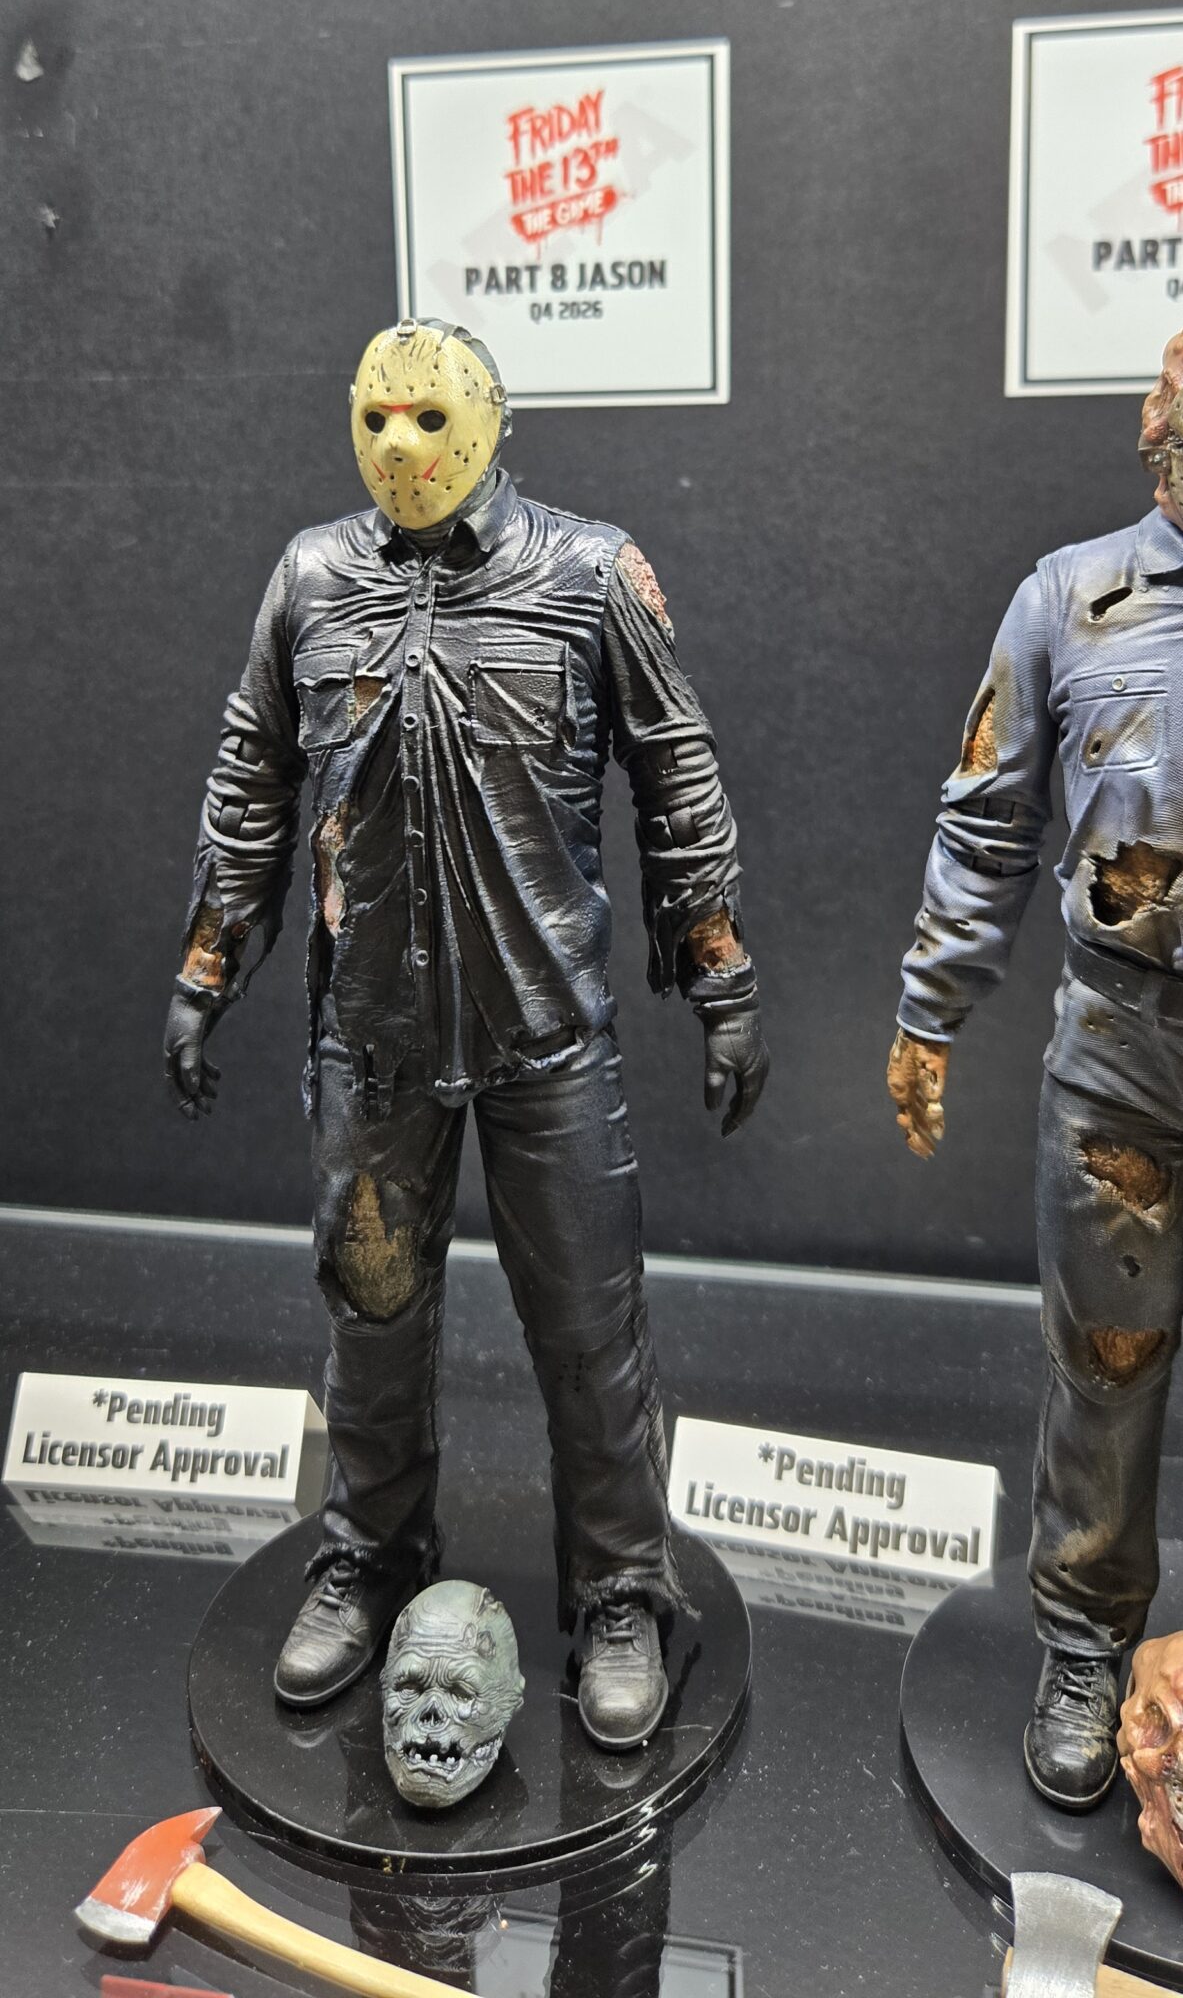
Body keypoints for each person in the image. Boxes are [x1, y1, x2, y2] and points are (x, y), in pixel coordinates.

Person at [165, 316, 768, 1750]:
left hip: (547, 1039)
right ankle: (371, 1556)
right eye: (375, 416)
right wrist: (208, 961)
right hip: (372, 1044)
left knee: (590, 1330)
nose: (400, 444)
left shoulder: (588, 575)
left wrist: (722, 974)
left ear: (493, 422)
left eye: (430, 417)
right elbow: (252, 772)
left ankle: (620, 1588)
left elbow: (676, 770)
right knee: (370, 1320)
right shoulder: (311, 580)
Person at [889, 331, 1183, 1809]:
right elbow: (986, 817)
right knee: (1104, 1358)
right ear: (1152, 418)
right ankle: (1084, 1639)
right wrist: (929, 1011)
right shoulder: (1071, 600)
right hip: (1126, 1047)